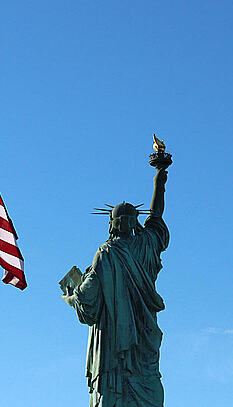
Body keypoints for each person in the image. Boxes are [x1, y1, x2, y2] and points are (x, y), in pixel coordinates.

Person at [62, 168, 169, 407]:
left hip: (112, 346)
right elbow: (157, 216)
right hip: (144, 339)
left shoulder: (106, 253)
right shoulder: (147, 245)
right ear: (134, 223)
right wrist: (159, 181)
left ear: (112, 224)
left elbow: (86, 301)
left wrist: (69, 296)